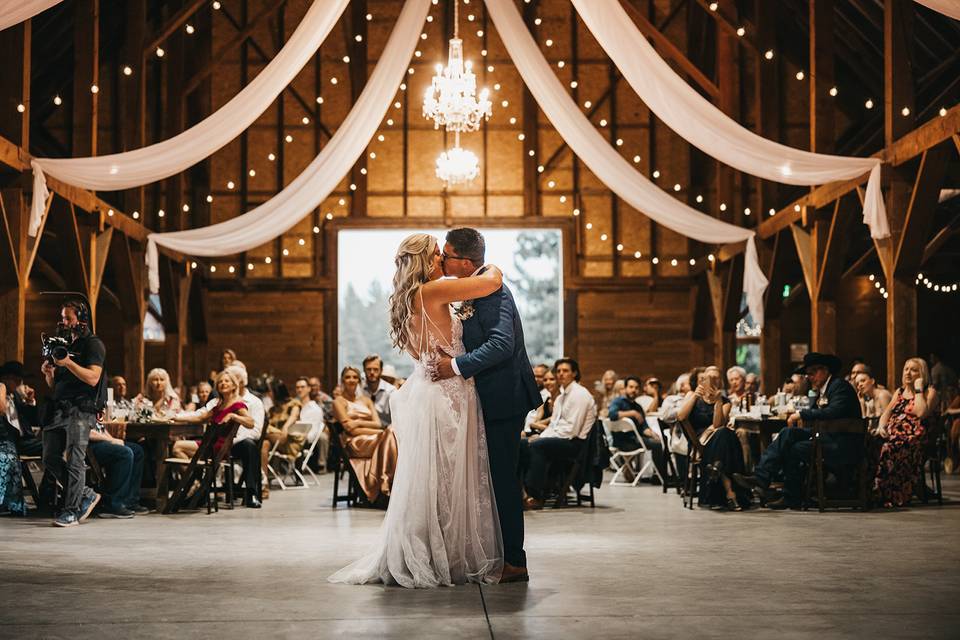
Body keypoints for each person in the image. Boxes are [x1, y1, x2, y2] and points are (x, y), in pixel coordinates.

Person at [331, 231, 514, 587]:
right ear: (423, 262)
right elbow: (492, 282)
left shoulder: (409, 299)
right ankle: (447, 552)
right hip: (449, 393)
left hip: (428, 391)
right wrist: (489, 264)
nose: (441, 260)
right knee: (450, 476)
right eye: (435, 255)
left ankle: (435, 547)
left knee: (433, 477)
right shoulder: (431, 291)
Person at [735, 352, 862, 510]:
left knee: (794, 446)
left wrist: (801, 414)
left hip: (843, 442)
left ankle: (786, 494)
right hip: (827, 436)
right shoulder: (822, 389)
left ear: (825, 370)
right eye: (808, 374)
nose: (809, 377)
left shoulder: (838, 386)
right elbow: (816, 413)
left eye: (812, 373)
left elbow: (833, 411)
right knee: (788, 434)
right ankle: (766, 481)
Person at [39, 299, 103, 527]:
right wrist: (49, 373)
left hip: (82, 409)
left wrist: (67, 363)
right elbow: (55, 385)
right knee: (49, 458)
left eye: (68, 318)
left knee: (75, 459)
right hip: (60, 408)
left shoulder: (93, 344)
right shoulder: (65, 345)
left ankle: (71, 511)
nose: (64, 322)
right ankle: (85, 494)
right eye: (62, 317)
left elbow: (93, 378)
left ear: (81, 319)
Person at [172, 364, 264, 508]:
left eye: (227, 381)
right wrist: (175, 417)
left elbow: (251, 424)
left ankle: (251, 492)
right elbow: (199, 416)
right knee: (177, 447)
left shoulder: (241, 404)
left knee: (249, 445)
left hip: (227, 445)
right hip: (212, 444)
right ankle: (196, 481)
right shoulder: (217, 405)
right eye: (220, 381)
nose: (223, 383)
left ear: (235, 385)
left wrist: (233, 416)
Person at [520, 358, 597, 510]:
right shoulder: (561, 397)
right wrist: (539, 437)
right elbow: (553, 425)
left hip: (574, 443)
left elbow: (571, 430)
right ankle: (520, 492)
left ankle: (535, 496)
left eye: (565, 371)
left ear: (574, 373)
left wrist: (541, 440)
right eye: (559, 371)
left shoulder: (580, 394)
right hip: (561, 438)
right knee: (522, 444)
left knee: (538, 446)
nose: (561, 374)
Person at [679, 366, 748, 510]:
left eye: (716, 378)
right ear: (703, 380)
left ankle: (717, 468)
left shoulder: (725, 401)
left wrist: (717, 402)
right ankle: (730, 493)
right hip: (699, 443)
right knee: (726, 437)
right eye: (709, 377)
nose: (712, 381)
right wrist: (695, 396)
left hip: (716, 441)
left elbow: (717, 425)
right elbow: (681, 417)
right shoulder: (692, 395)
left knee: (723, 433)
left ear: (720, 382)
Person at [873, 358, 938, 507]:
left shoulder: (930, 392)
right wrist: (881, 427)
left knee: (888, 448)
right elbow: (886, 414)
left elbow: (921, 412)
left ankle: (887, 494)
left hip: (914, 439)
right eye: (906, 369)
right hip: (893, 435)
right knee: (872, 443)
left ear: (922, 374)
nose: (908, 373)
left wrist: (918, 389)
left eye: (914, 370)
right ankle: (868, 491)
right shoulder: (899, 391)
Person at [331, 366, 397, 506]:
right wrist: (378, 432)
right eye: (348, 377)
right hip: (354, 442)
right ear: (342, 380)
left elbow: (378, 423)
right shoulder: (338, 402)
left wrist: (357, 422)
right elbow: (350, 429)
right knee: (390, 434)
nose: (352, 380)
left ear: (359, 381)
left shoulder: (366, 400)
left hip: (374, 439)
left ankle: (387, 483)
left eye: (355, 377)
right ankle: (387, 482)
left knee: (390, 433)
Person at [607, 375, 669, 482]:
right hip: (622, 441)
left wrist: (653, 434)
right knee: (657, 445)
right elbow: (612, 414)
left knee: (659, 441)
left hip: (635, 439)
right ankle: (662, 477)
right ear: (625, 388)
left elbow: (644, 427)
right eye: (631, 387)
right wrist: (632, 413)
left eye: (636, 388)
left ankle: (655, 475)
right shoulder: (618, 402)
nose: (634, 390)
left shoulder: (638, 407)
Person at [88, 423, 148, 518]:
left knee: (137, 451)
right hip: (88, 446)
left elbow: (101, 428)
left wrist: (113, 440)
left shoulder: (94, 414)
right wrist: (111, 440)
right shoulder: (78, 414)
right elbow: (87, 433)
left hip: (100, 441)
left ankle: (129, 501)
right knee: (125, 453)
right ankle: (112, 504)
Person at [260, 380, 305, 497]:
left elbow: (293, 418)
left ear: (277, 392)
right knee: (263, 445)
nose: (268, 394)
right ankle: (264, 484)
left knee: (261, 431)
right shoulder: (272, 410)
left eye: (270, 391)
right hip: (274, 441)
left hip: (289, 441)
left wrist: (285, 428)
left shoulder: (293, 404)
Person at [0, 361, 41, 457]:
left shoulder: (16, 396)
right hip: (7, 441)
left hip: (24, 440)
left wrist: (30, 401)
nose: (21, 384)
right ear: (5, 379)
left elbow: (34, 421)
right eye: (18, 380)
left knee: (51, 445)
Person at [0, 380, 27, 515]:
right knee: (6, 456)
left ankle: (10, 503)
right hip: (6, 439)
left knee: (9, 457)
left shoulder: (10, 393)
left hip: (15, 439)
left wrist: (29, 401)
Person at [294, 377, 329, 473]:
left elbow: (313, 434)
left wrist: (300, 436)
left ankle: (321, 464)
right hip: (293, 435)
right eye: (297, 387)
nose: (299, 390)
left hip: (304, 439)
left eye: (302, 387)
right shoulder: (293, 405)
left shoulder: (314, 409)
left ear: (309, 389)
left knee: (323, 437)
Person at [360, 354, 396, 427]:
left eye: (376, 369)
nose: (372, 372)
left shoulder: (391, 391)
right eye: (368, 369)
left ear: (381, 370)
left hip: (385, 429)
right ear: (364, 370)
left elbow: (397, 417)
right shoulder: (359, 389)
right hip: (363, 429)